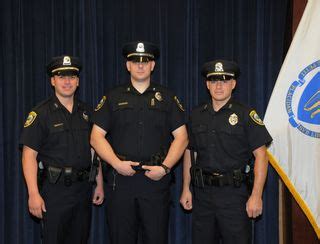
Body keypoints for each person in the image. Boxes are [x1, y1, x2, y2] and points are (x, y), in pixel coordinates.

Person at [90, 41, 188, 244]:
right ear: (128, 65)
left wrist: (165, 167)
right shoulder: (113, 97)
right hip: (121, 182)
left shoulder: (168, 97)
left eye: (146, 61)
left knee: (156, 239)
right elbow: (95, 137)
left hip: (155, 182)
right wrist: (116, 164)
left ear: (153, 65)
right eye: (135, 61)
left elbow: (182, 137)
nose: (140, 65)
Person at [180, 59, 273, 244]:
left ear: (233, 84)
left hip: (234, 195)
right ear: (207, 84)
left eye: (224, 80)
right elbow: (191, 153)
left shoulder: (245, 114)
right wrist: (185, 188)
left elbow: (261, 155)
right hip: (203, 194)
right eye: (214, 81)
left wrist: (256, 195)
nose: (219, 86)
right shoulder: (197, 114)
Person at [19, 55, 104, 244]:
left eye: (72, 77)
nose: (67, 81)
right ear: (52, 80)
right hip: (54, 192)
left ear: (78, 81)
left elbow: (94, 151)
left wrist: (99, 183)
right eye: (61, 76)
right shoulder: (40, 114)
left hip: (82, 190)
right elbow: (28, 155)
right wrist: (33, 194)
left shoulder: (87, 112)